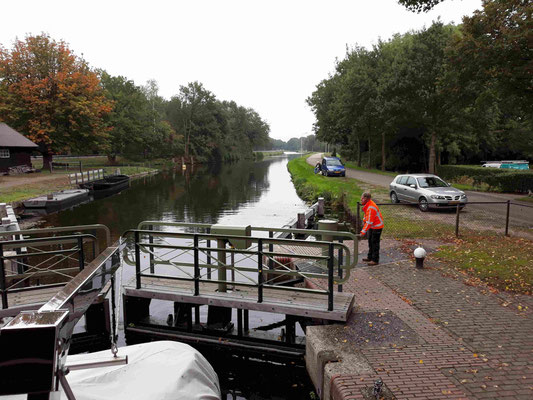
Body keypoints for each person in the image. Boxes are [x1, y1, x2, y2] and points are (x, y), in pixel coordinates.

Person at [360, 192, 384, 265]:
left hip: (377, 227)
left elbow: (369, 222)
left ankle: (375, 260)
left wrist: (363, 232)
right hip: (373, 226)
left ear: (366, 199)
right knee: (370, 242)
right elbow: (367, 216)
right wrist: (364, 220)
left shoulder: (371, 207)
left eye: (362, 198)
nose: (361, 199)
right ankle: (370, 257)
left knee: (375, 243)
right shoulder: (368, 205)